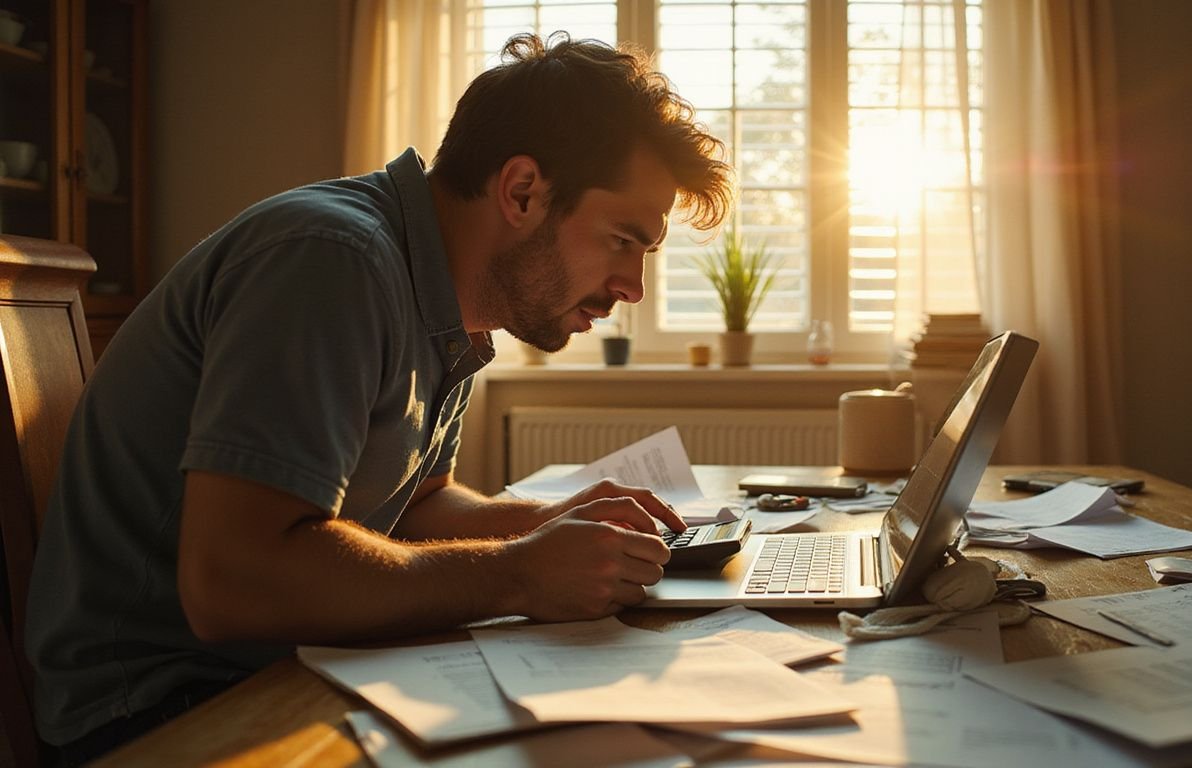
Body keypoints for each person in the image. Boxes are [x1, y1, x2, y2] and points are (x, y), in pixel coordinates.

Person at [25, 32, 733, 763]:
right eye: (622, 240)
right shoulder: (332, 260)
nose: (632, 287)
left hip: (281, 665)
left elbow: (418, 506)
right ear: (522, 191)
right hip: (158, 710)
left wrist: (547, 521)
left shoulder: (448, 300)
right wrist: (521, 570)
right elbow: (233, 582)